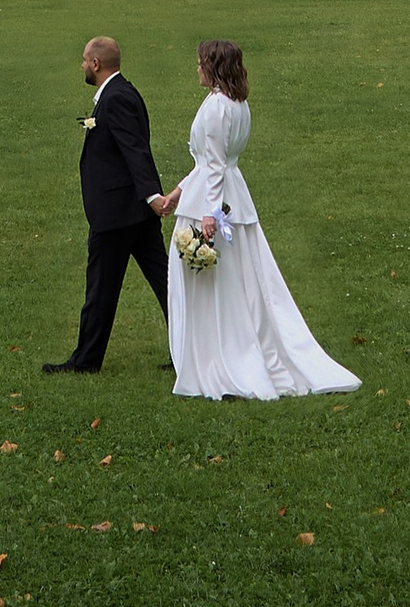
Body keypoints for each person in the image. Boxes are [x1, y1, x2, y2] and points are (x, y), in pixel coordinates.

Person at [152, 39, 358, 403]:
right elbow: (207, 164)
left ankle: (221, 358)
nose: (196, 69)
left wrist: (209, 215)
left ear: (213, 67)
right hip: (230, 194)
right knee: (239, 282)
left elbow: (214, 166)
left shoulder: (217, 106)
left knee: (218, 286)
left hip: (217, 203)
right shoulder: (236, 103)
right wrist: (177, 193)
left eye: (201, 63)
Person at [43, 34, 168, 376]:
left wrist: (153, 197)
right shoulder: (123, 92)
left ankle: (85, 362)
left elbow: (135, 150)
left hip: (118, 216)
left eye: (85, 60)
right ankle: (192, 349)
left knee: (101, 290)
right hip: (134, 213)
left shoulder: (115, 99)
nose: (82, 65)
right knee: (167, 284)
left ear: (96, 64)